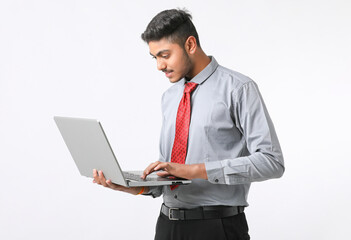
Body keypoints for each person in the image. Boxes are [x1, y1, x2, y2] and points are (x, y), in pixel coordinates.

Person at [93, 8, 284, 240]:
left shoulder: (239, 89)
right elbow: (171, 175)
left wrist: (194, 170)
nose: (159, 66)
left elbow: (271, 162)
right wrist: (133, 186)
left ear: (190, 45)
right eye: (155, 58)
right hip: (167, 226)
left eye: (165, 55)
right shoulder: (170, 97)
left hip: (217, 227)